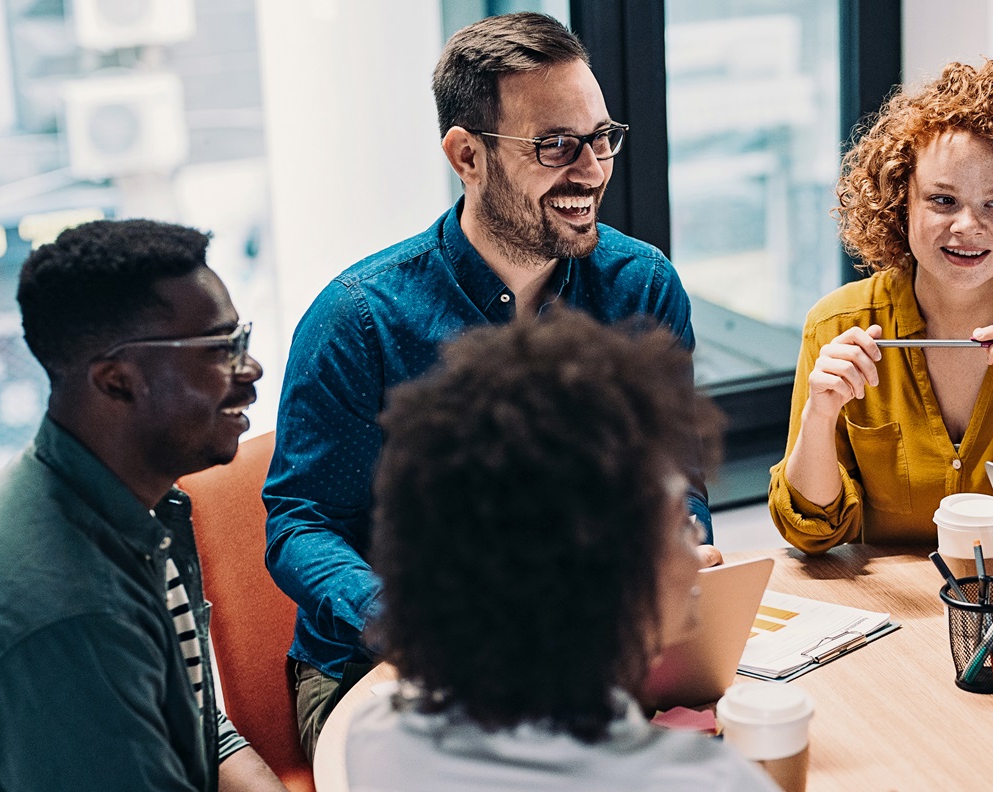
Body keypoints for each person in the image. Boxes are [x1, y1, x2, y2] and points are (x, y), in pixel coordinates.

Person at [263, 12, 716, 757]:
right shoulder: (360, 319)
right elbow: (299, 522)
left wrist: (681, 543)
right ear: (466, 155)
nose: (593, 170)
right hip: (381, 667)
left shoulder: (641, 286)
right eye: (556, 146)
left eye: (602, 138)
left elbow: (677, 479)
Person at [0, 220, 287, 791]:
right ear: (116, 381)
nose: (251, 369)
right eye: (220, 350)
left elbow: (189, 721)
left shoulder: (118, 502)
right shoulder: (64, 611)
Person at [338, 309, 777, 791]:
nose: (699, 543)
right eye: (677, 525)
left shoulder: (376, 736)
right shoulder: (712, 782)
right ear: (600, 577)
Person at [769, 59, 993, 552]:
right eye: (942, 201)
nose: (967, 226)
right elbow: (811, 530)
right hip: (890, 613)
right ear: (900, 202)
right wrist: (819, 414)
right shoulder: (837, 325)